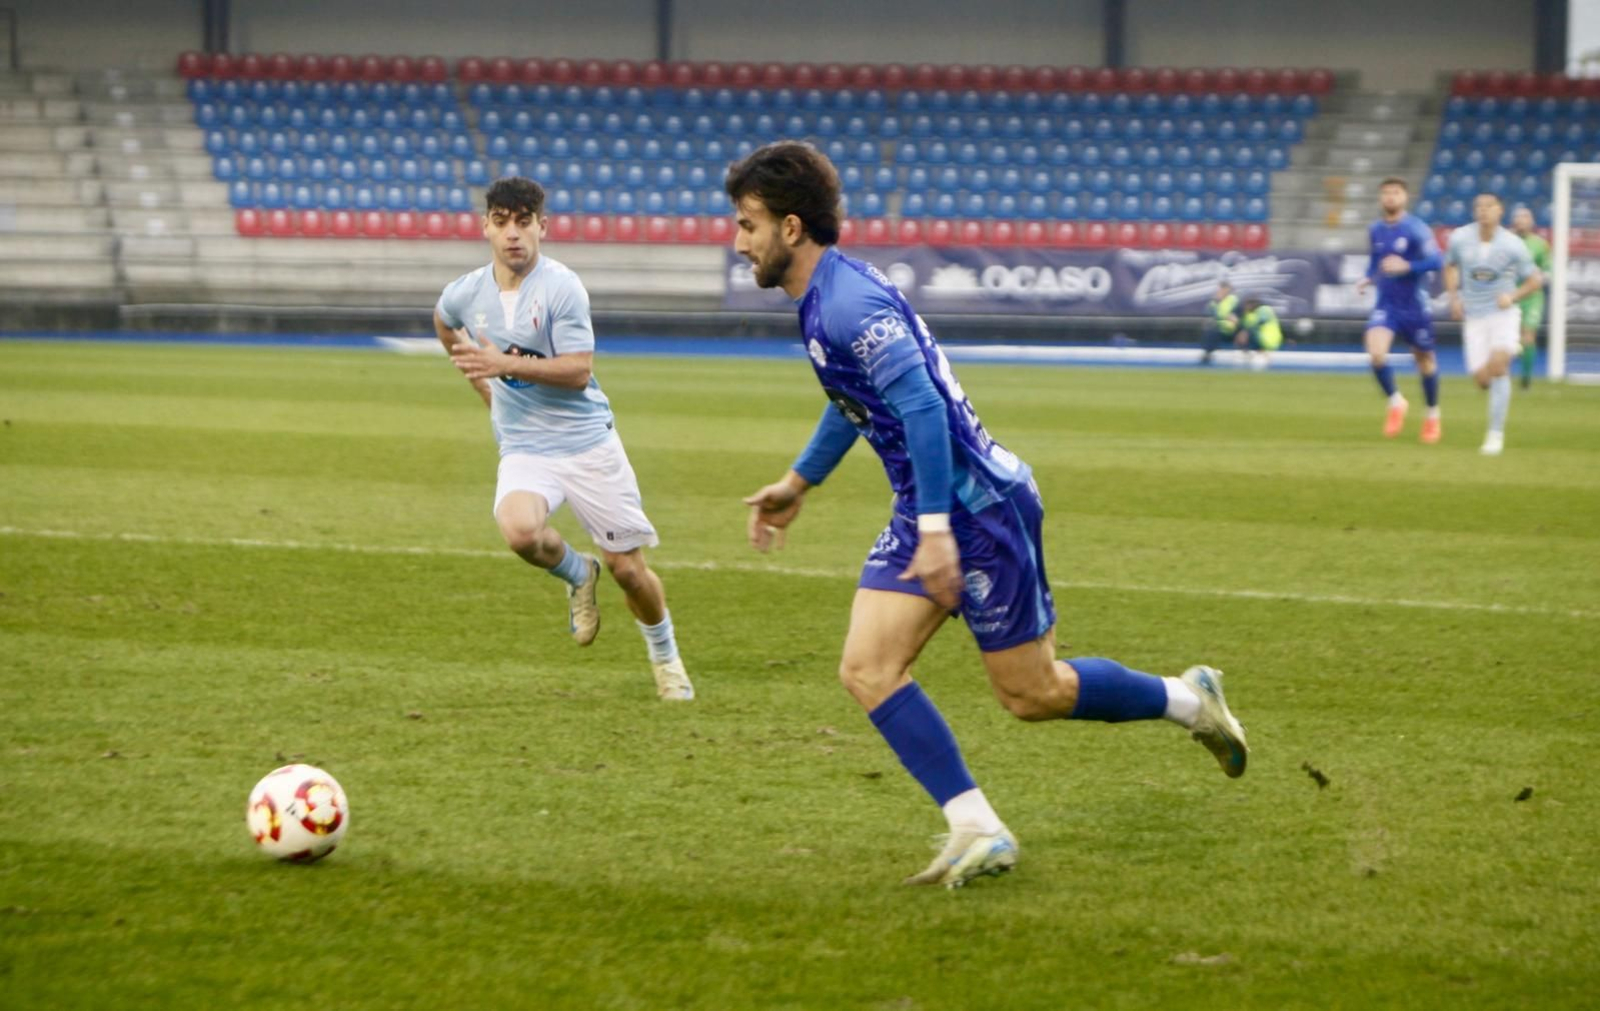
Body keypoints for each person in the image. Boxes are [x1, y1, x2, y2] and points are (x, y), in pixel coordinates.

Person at [727, 141, 1248, 889]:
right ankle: (978, 825)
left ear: (793, 227)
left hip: (980, 508)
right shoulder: (824, 299)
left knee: (1032, 693)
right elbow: (858, 400)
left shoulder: (848, 304)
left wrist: (938, 530)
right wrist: (799, 480)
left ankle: (1190, 699)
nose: (739, 241)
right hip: (928, 506)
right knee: (867, 667)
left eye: (748, 224)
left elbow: (922, 409)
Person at [433, 176, 693, 700]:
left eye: (524, 221)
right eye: (502, 221)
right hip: (526, 447)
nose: (513, 233)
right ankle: (578, 573)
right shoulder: (465, 294)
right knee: (519, 531)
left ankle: (665, 657)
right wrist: (484, 387)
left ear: (542, 228)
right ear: (486, 226)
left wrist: (499, 364)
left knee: (629, 571)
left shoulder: (562, 287)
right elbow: (443, 324)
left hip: (586, 445)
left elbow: (578, 371)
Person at [1443, 192, 1544, 456]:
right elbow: (1450, 266)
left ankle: (1495, 434)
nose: (1483, 210)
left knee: (1499, 367)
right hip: (1474, 317)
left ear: (1500, 211)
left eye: (1489, 206)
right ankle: (1509, 350)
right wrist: (1454, 297)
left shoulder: (1512, 245)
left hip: (1504, 314)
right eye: (1479, 206)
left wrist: (1512, 296)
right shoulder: (1460, 238)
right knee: (1481, 380)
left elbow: (1535, 280)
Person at [1355, 177, 1445, 443]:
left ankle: (1432, 415)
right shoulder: (1375, 230)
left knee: (1425, 362)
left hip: (1415, 306)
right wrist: (1368, 277)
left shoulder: (1416, 228)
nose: (1390, 197)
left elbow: (1438, 260)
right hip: (1387, 304)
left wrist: (1408, 266)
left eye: (1395, 193)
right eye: (1386, 193)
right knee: (1376, 353)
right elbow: (1376, 260)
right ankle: (1396, 402)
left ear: (1404, 197)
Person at [1510, 205, 1551, 389]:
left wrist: (1538, 278)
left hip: (1533, 297)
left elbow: (1548, 270)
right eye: (1518, 217)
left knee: (1528, 336)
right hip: (1511, 295)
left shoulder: (1540, 244)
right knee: (1510, 339)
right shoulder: (1506, 241)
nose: (1521, 221)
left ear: (1532, 221)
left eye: (1525, 217)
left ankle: (1526, 381)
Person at [1237, 298, 1284, 369]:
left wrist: (1245, 332)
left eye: (1247, 306)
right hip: (1263, 339)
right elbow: (1246, 325)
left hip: (1270, 339)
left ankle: (1261, 353)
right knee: (1244, 333)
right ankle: (1249, 353)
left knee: (1249, 332)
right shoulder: (1250, 314)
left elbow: (1259, 322)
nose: (1245, 308)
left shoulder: (1264, 309)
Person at [1200, 280, 1240, 365]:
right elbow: (1208, 318)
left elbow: (1235, 319)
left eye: (1223, 289)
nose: (1221, 291)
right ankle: (1207, 355)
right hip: (1220, 329)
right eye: (1220, 289)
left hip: (1231, 331)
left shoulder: (1234, 301)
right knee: (1210, 330)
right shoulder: (1213, 303)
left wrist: (1225, 320)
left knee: (1214, 328)